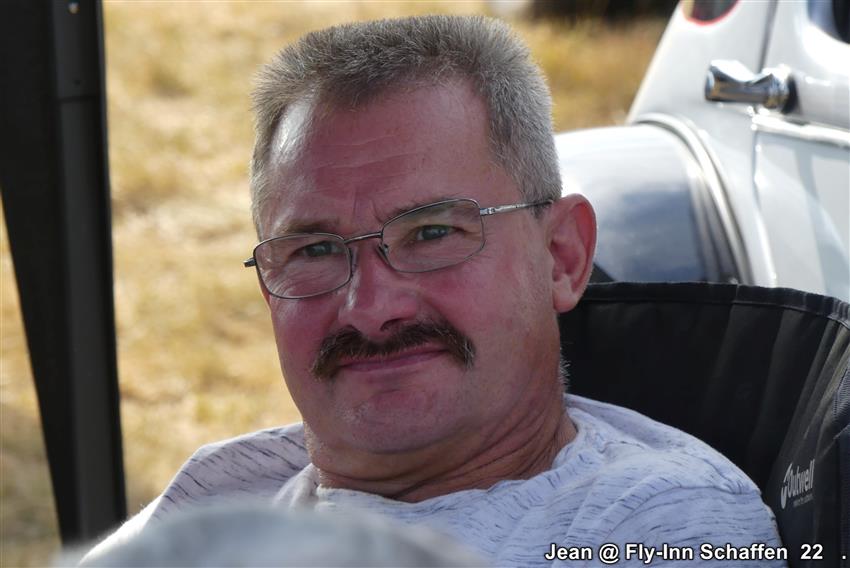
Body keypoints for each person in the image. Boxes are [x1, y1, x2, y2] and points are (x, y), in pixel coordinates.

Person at [86, 15, 786, 566]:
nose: (371, 308)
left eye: (431, 234)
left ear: (561, 257)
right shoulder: (223, 486)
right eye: (315, 250)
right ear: (271, 289)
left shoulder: (656, 525)